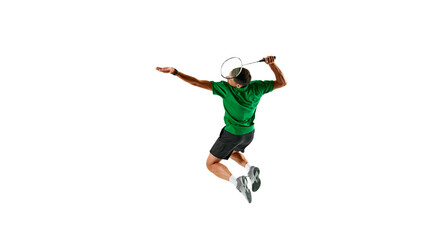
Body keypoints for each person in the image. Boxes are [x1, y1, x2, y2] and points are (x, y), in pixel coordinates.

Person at [156, 56, 286, 203]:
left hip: (232, 134)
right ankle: (250, 169)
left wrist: (175, 72)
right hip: (249, 133)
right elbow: (282, 82)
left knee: (211, 164)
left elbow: (197, 83)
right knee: (231, 152)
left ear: (237, 85)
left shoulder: (226, 89)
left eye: (230, 78)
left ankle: (238, 182)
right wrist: (273, 64)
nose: (227, 79)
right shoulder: (258, 87)